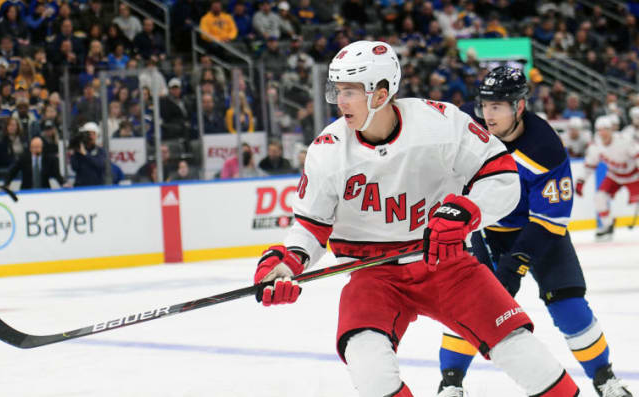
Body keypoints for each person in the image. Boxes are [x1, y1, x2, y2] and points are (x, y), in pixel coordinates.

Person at [253, 41, 581, 397]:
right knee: (368, 364)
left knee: (523, 351)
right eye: (337, 90)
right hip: (371, 275)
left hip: (446, 264)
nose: (339, 101)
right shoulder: (327, 151)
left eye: (350, 91)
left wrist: (469, 211)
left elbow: (501, 177)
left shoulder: (441, 122)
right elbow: (310, 225)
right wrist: (285, 265)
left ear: (381, 94)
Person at [435, 66, 632, 397]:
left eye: (497, 106)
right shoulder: (465, 122)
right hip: (485, 227)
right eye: (484, 105)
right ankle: (450, 383)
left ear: (519, 106)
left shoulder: (546, 148)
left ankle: (604, 379)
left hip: (536, 229)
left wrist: (516, 263)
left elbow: (548, 220)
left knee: (568, 302)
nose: (488, 114)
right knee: (471, 303)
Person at [576, 115, 639, 241]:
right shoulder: (595, 146)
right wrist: (581, 182)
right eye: (600, 129)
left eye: (605, 129)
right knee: (599, 198)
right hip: (614, 175)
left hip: (633, 176)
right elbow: (589, 165)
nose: (603, 132)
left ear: (611, 130)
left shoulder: (624, 140)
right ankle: (608, 225)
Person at [70, 122, 107, 187]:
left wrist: (86, 154)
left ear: (97, 135)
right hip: (81, 186)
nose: (91, 136)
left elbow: (100, 165)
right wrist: (74, 154)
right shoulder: (79, 151)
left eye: (93, 134)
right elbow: (74, 167)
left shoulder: (100, 151)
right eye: (88, 134)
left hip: (97, 186)